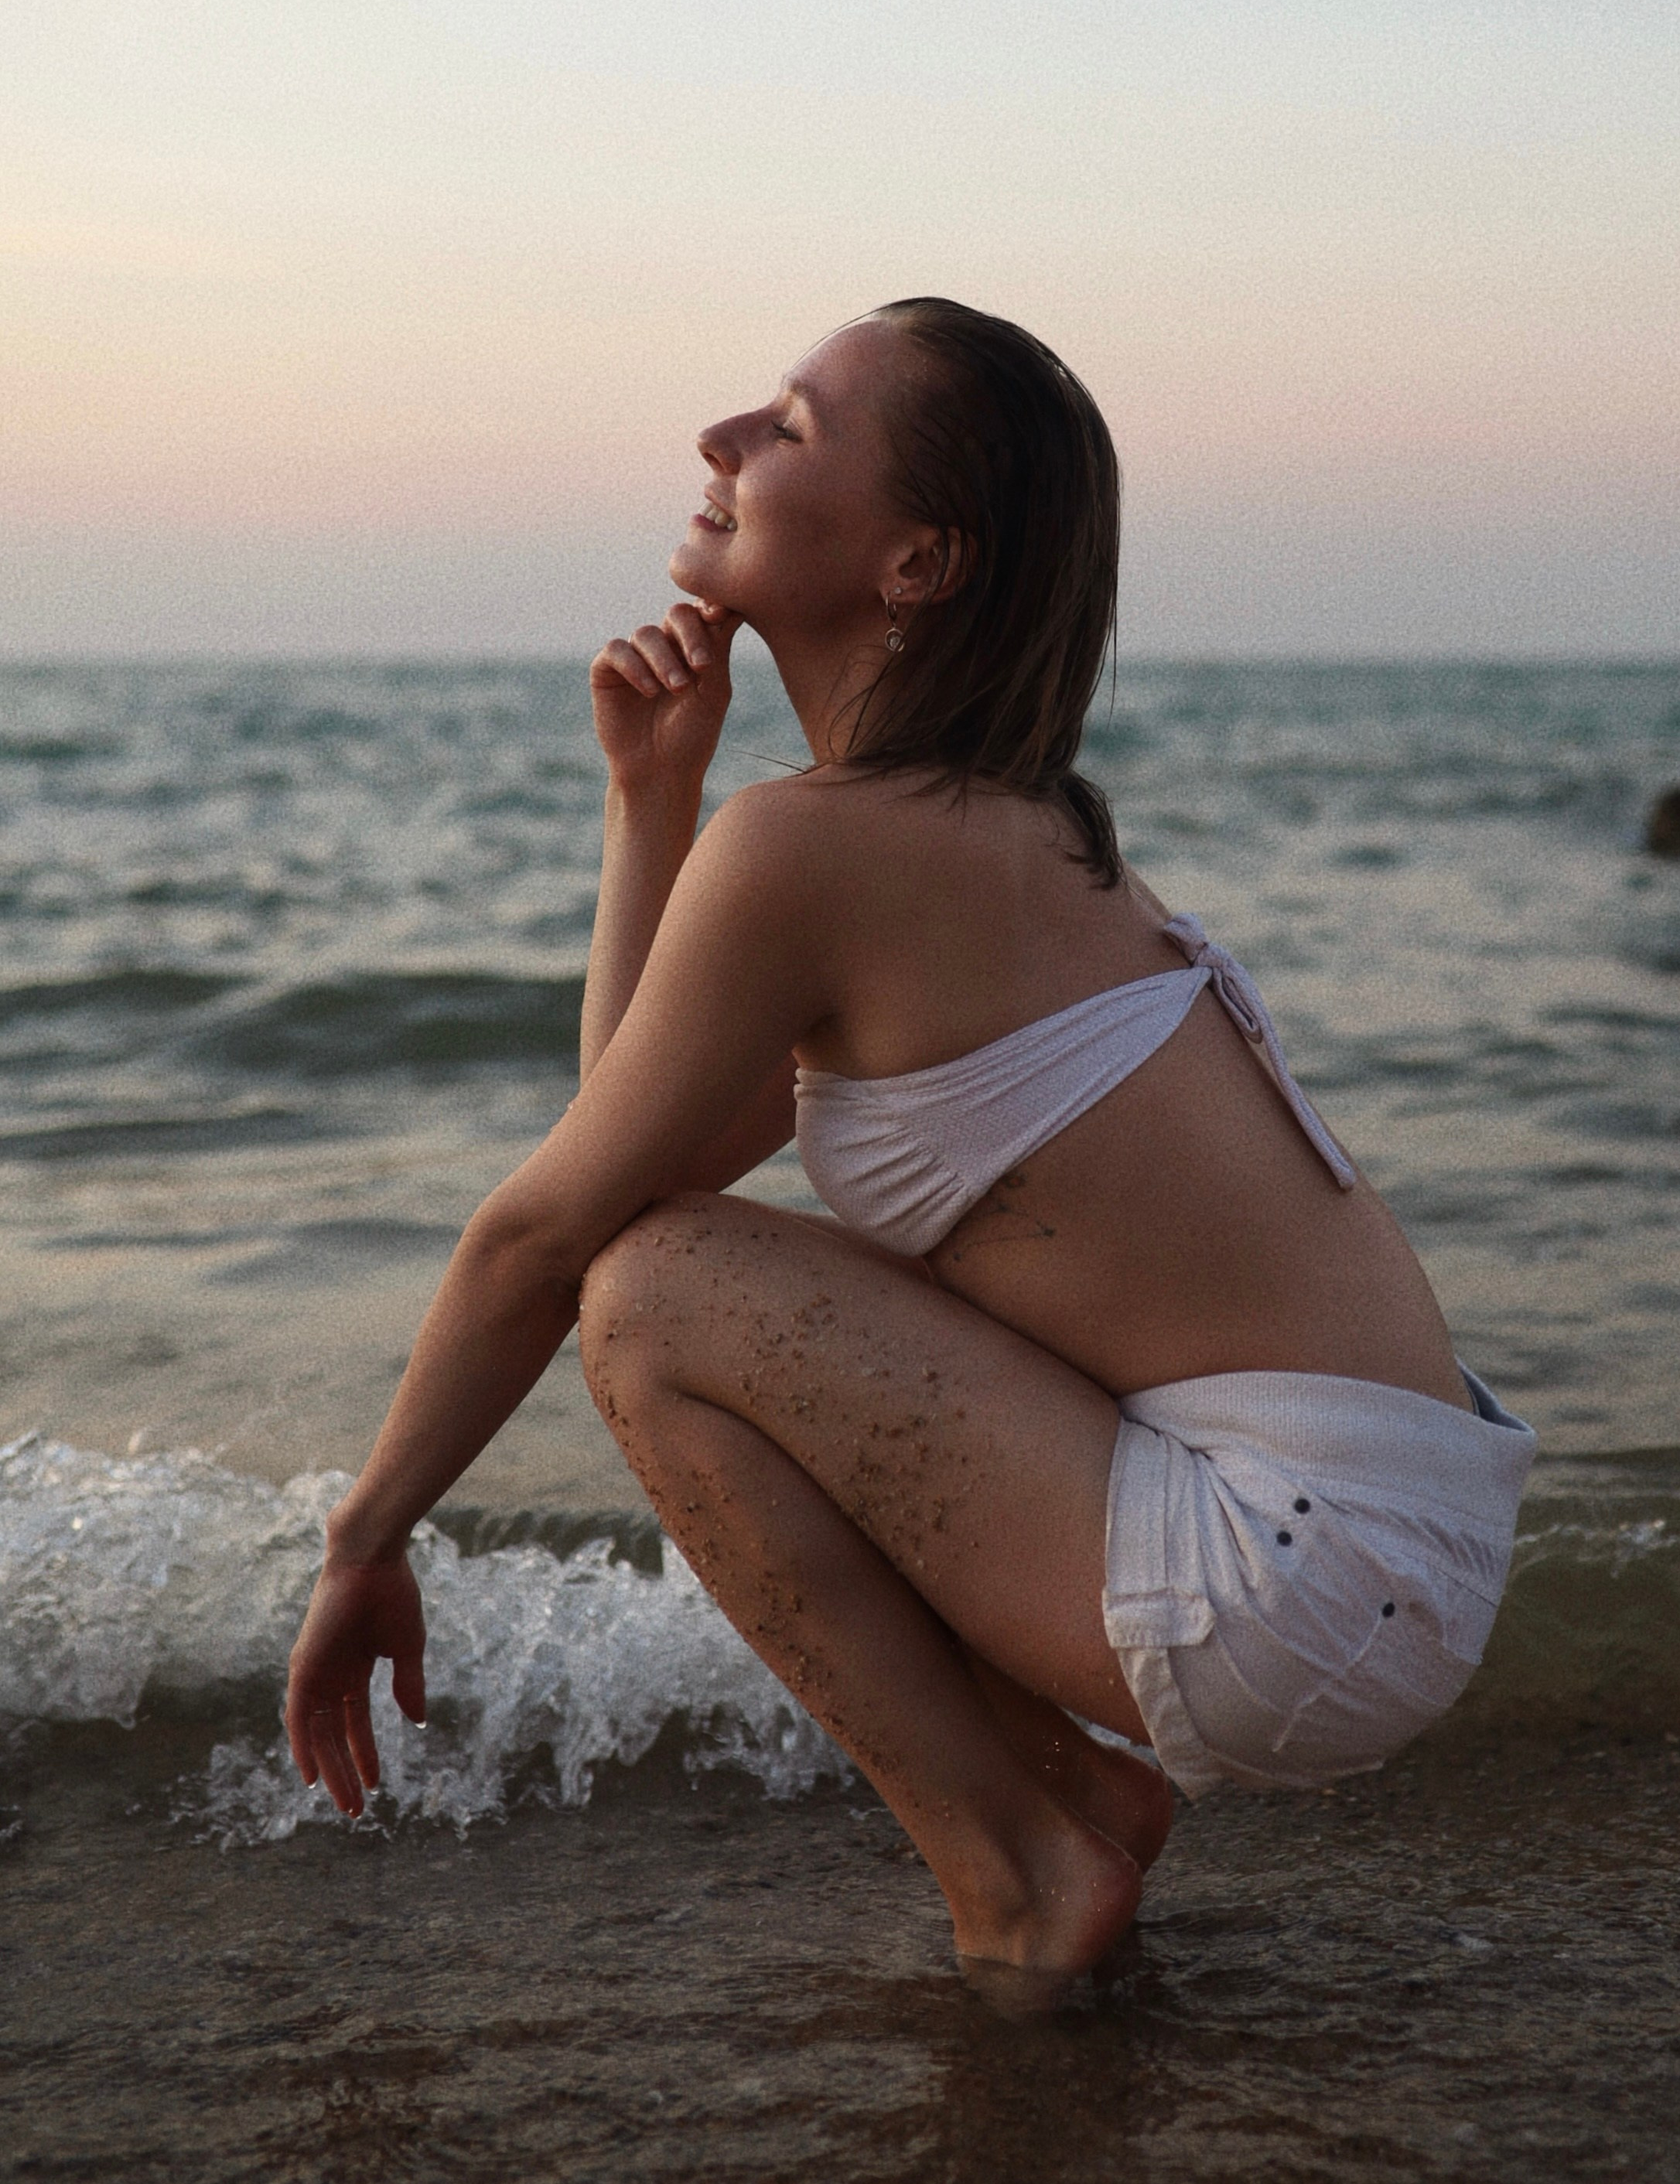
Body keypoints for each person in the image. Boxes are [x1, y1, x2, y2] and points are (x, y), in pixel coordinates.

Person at [285, 299, 1536, 1997]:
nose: (723, 434)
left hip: (1294, 1569)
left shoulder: (831, 844)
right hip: (1378, 1544)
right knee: (657, 1270)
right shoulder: (973, 828)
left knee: (648, 1298)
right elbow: (635, 1156)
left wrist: (366, 1537)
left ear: (917, 564)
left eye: (790, 424)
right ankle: (1057, 1791)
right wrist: (651, 800)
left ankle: (1022, 1871)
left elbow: (553, 1238)